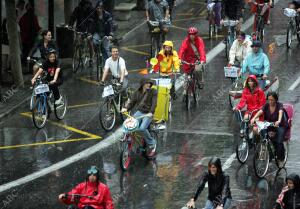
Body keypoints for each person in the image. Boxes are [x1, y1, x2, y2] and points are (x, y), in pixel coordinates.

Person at [121, 78, 158, 157]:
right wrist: (126, 108)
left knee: (141, 128)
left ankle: (152, 143)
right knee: (129, 124)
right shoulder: (137, 92)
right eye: (147, 83)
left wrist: (151, 112)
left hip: (148, 114)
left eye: (150, 83)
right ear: (143, 84)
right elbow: (132, 103)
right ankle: (128, 137)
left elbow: (154, 103)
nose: (149, 84)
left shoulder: (153, 92)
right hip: (140, 112)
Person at [250, 91, 288, 167]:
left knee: (279, 142)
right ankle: (269, 155)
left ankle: (281, 159)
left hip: (279, 125)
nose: (270, 101)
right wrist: (254, 118)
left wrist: (279, 120)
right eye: (269, 99)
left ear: (276, 99)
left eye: (272, 100)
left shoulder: (279, 105)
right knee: (264, 137)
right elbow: (260, 111)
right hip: (269, 125)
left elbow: (280, 112)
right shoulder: (266, 105)